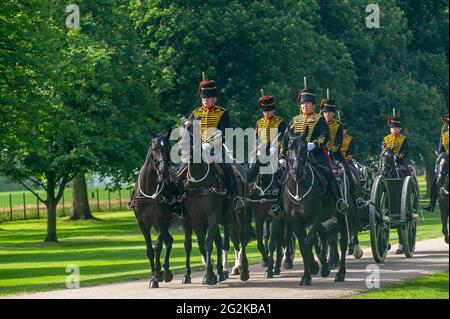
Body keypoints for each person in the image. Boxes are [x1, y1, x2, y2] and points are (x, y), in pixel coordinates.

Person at [281, 87, 348, 212]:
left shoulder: (319, 119)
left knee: (330, 173)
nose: (305, 106)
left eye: (307, 103)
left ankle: (339, 200)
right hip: (297, 156)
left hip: (316, 155)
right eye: (302, 104)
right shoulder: (294, 120)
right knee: (282, 177)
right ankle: (280, 205)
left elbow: (325, 136)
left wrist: (314, 144)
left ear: (313, 105)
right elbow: (286, 138)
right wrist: (282, 154)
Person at [189, 77, 238, 206]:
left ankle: (232, 195)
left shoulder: (222, 113)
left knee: (228, 167)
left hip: (215, 148)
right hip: (197, 148)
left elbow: (225, 133)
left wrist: (212, 141)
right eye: (203, 97)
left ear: (214, 98)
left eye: (208, 97)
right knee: (180, 170)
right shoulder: (195, 113)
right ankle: (179, 199)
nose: (205, 99)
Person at [254, 94, 287, 218]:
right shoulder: (259, 123)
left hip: (276, 154)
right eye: (264, 111)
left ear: (273, 110)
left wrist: (275, 148)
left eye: (268, 111)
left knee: (283, 169)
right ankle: (251, 194)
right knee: (251, 167)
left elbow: (283, 139)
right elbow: (256, 138)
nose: (266, 113)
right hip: (261, 153)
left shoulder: (281, 122)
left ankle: (281, 196)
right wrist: (258, 147)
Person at [423, 113, 449, 213]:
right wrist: (441, 154)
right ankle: (432, 204)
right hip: (446, 158)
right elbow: (440, 148)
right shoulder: (444, 134)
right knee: (435, 182)